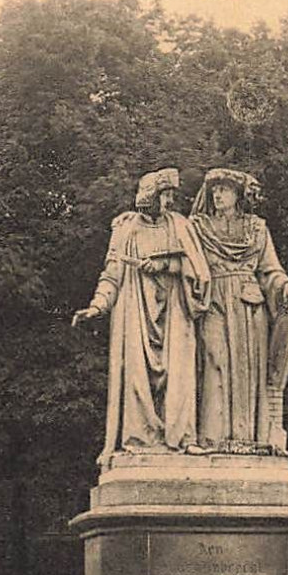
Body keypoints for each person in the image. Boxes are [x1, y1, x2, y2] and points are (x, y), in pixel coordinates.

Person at [72, 168, 210, 461]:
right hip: (136, 313)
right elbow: (112, 274)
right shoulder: (126, 229)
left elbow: (198, 272)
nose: (170, 201)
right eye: (166, 195)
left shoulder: (181, 226)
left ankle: (183, 438)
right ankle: (140, 440)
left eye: (172, 195)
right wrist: (97, 306)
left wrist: (165, 266)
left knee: (181, 374)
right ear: (151, 196)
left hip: (175, 310)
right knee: (137, 377)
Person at [187, 169, 288, 452]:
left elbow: (270, 270)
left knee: (249, 369)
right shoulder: (197, 226)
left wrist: (286, 285)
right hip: (214, 301)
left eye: (223, 189)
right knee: (216, 361)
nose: (217, 195)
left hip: (249, 306)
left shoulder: (257, 228)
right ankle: (212, 438)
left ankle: (249, 438)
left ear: (238, 195)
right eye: (214, 190)